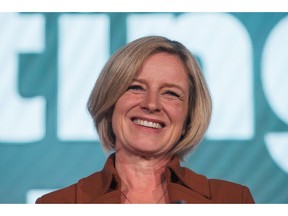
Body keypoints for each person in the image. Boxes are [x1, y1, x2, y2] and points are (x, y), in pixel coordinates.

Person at [36, 36, 255, 204]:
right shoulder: (57, 205)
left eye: (170, 93)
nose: (151, 104)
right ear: (110, 102)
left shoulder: (232, 200)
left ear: (189, 114)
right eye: (135, 87)